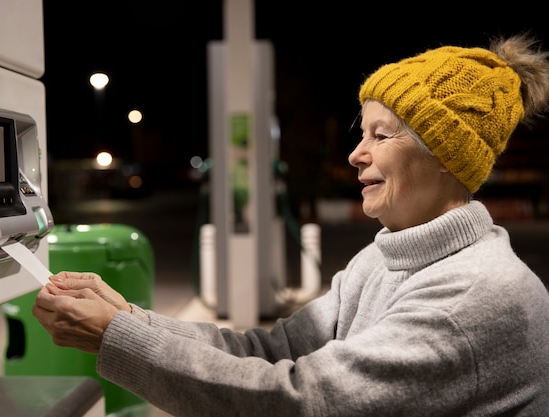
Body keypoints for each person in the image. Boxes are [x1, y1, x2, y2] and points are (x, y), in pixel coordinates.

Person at [33, 33, 549, 416]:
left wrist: (116, 339)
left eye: (382, 135)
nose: (355, 153)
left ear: (446, 156)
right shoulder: (383, 259)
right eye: (361, 132)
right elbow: (272, 351)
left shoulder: (476, 296)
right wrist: (131, 319)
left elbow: (300, 402)